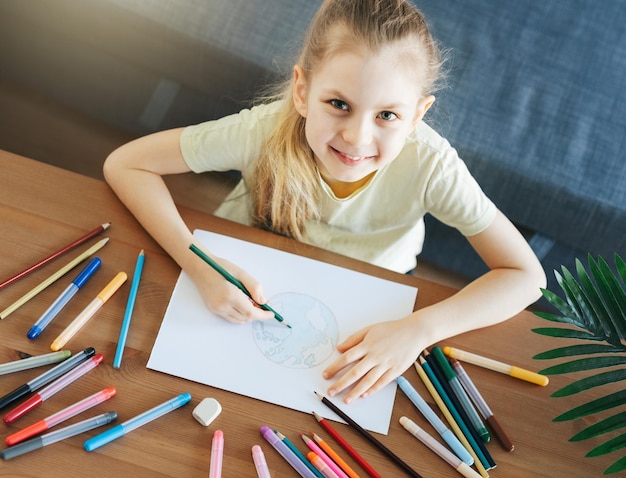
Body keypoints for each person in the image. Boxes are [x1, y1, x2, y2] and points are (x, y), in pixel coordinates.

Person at [104, 0, 546, 405]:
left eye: (387, 115)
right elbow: (126, 164)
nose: (357, 137)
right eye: (338, 103)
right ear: (302, 91)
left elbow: (526, 277)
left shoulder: (431, 165)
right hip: (243, 274)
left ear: (417, 115)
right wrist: (198, 263)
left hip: (370, 291)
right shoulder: (261, 131)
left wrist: (420, 329)